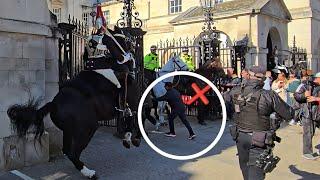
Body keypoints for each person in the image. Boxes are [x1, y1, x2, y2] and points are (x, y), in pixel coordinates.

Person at [228, 66, 294, 180]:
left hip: (240, 137)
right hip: (259, 139)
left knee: (245, 169)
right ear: (263, 78)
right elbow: (289, 114)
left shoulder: (236, 91)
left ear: (248, 75)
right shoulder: (269, 95)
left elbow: (223, 101)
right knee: (255, 173)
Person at [294, 72, 320, 160]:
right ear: (318, 78)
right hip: (308, 113)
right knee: (308, 133)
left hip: (318, 112)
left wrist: (316, 99)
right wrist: (304, 95)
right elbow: (296, 95)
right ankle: (307, 153)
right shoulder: (304, 84)